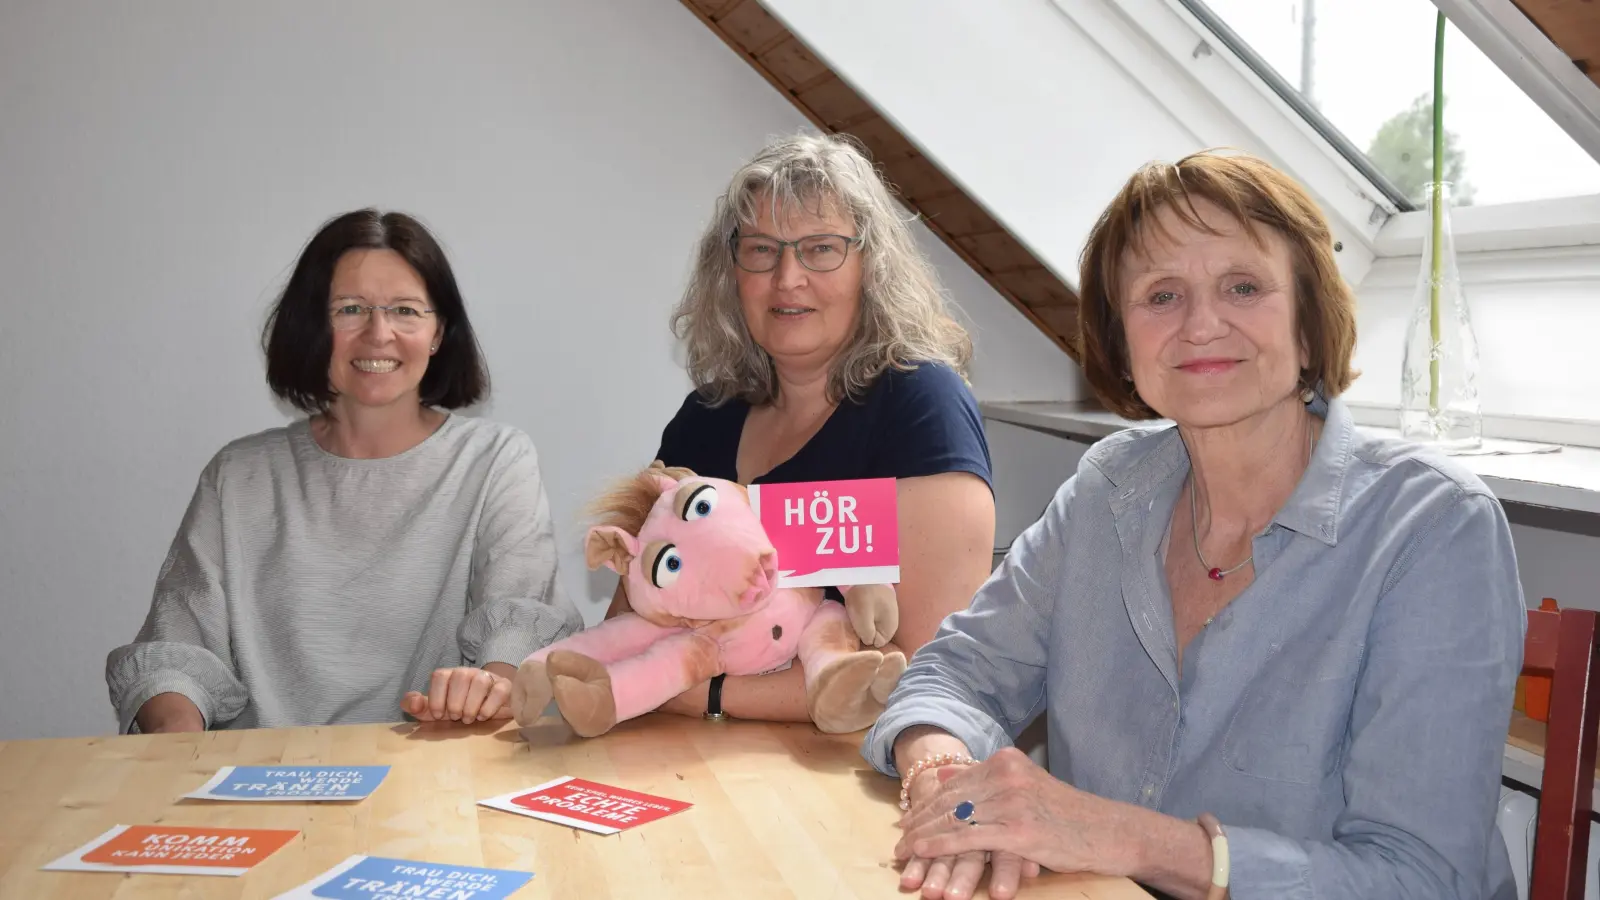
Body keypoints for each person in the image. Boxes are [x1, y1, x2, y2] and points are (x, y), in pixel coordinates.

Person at [871, 151, 1524, 900]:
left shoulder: (1434, 527)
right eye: (1162, 295)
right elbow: (952, 674)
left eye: (1243, 287)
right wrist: (945, 780)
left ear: (1308, 326)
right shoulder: (1106, 489)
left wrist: (1117, 835)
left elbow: (1423, 878)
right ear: (1123, 344)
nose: (1202, 324)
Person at [106, 209, 583, 734]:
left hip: (434, 765)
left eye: (405, 310)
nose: (378, 334)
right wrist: (178, 751)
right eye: (350, 309)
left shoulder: (496, 459)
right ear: (312, 326)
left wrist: (491, 689)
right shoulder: (237, 476)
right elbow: (177, 649)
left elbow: (521, 619)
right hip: (260, 770)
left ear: (438, 333)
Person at [613, 131, 997, 725]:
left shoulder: (923, 406)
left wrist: (701, 693)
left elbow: (928, 668)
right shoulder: (704, 419)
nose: (787, 276)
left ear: (870, 266)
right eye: (762, 249)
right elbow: (630, 619)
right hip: (686, 755)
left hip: (848, 766)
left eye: (821, 248)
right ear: (730, 271)